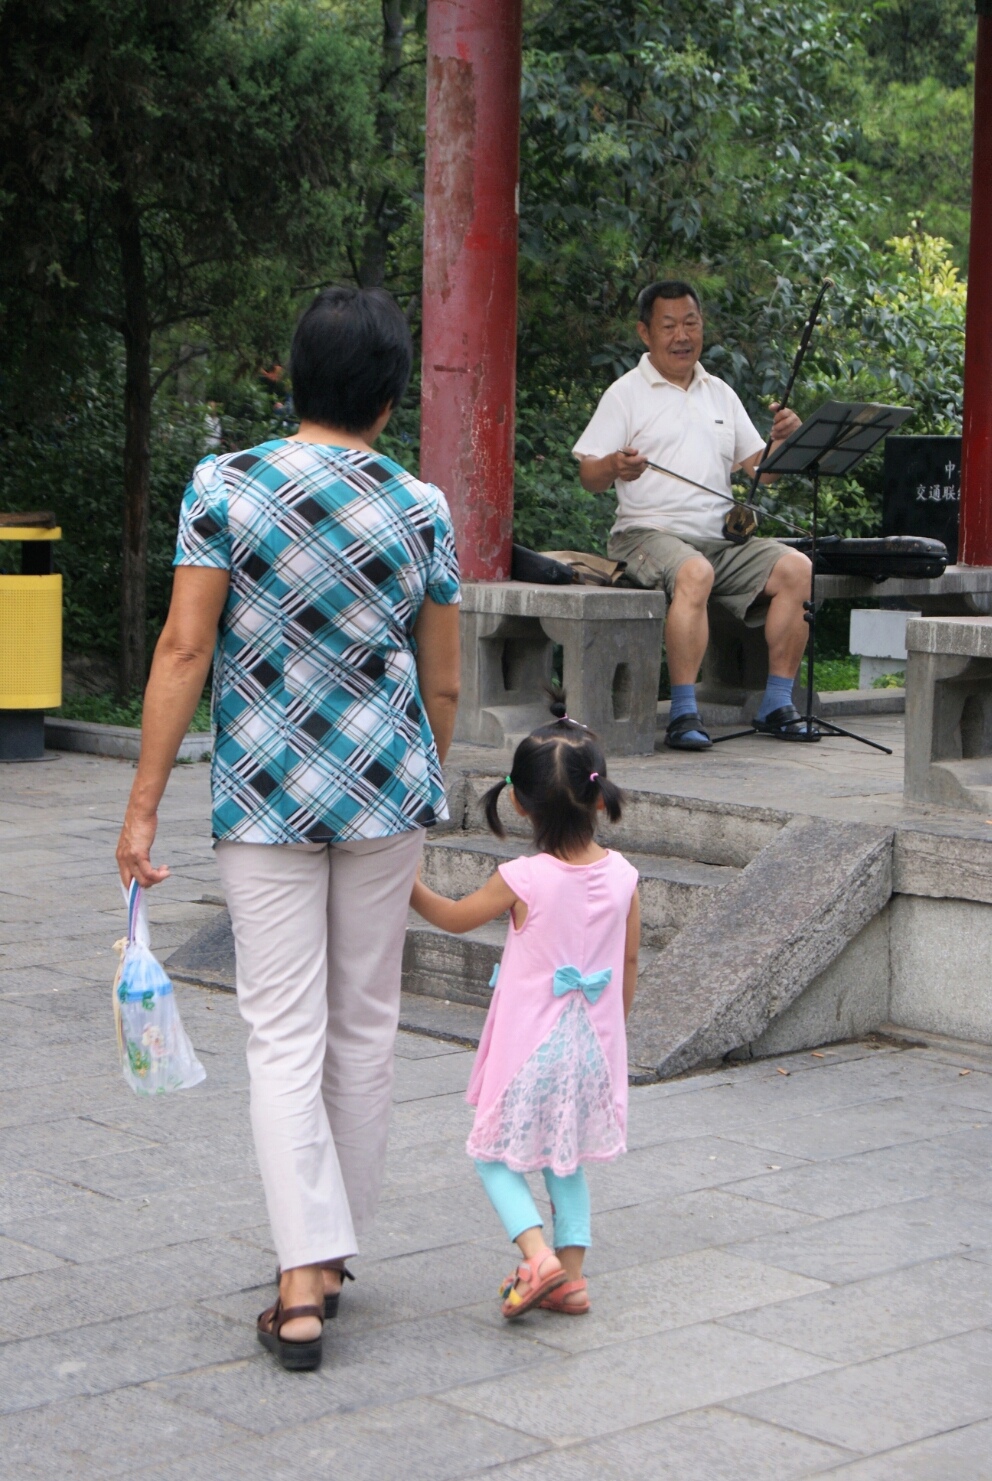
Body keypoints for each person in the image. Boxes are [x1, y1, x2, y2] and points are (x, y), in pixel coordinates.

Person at [115, 286, 462, 1371]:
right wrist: (418, 783)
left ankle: (299, 1275)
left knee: (280, 1027)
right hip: (384, 787)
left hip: (263, 788)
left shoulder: (226, 485)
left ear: (292, 377)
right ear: (390, 398)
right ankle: (329, 1255)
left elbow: (183, 648)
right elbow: (443, 681)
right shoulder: (420, 505)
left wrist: (140, 806)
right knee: (364, 1020)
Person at [410, 698, 640, 1318]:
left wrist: (406, 881)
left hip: (533, 1048)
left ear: (518, 802)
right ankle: (571, 1280)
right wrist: (611, 1029)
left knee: (490, 1155)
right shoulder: (625, 875)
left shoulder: (523, 879)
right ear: (599, 799)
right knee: (565, 1163)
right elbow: (629, 964)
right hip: (594, 1046)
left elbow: (454, 919)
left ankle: (535, 1256)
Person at [573, 279, 814, 749]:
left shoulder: (719, 393)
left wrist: (785, 442)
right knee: (694, 571)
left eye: (691, 323)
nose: (682, 335)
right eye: (669, 326)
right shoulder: (625, 394)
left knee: (797, 568)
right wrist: (614, 466)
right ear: (646, 333)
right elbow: (589, 475)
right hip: (645, 536)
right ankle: (684, 713)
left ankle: (777, 703)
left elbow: (761, 473)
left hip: (719, 542)